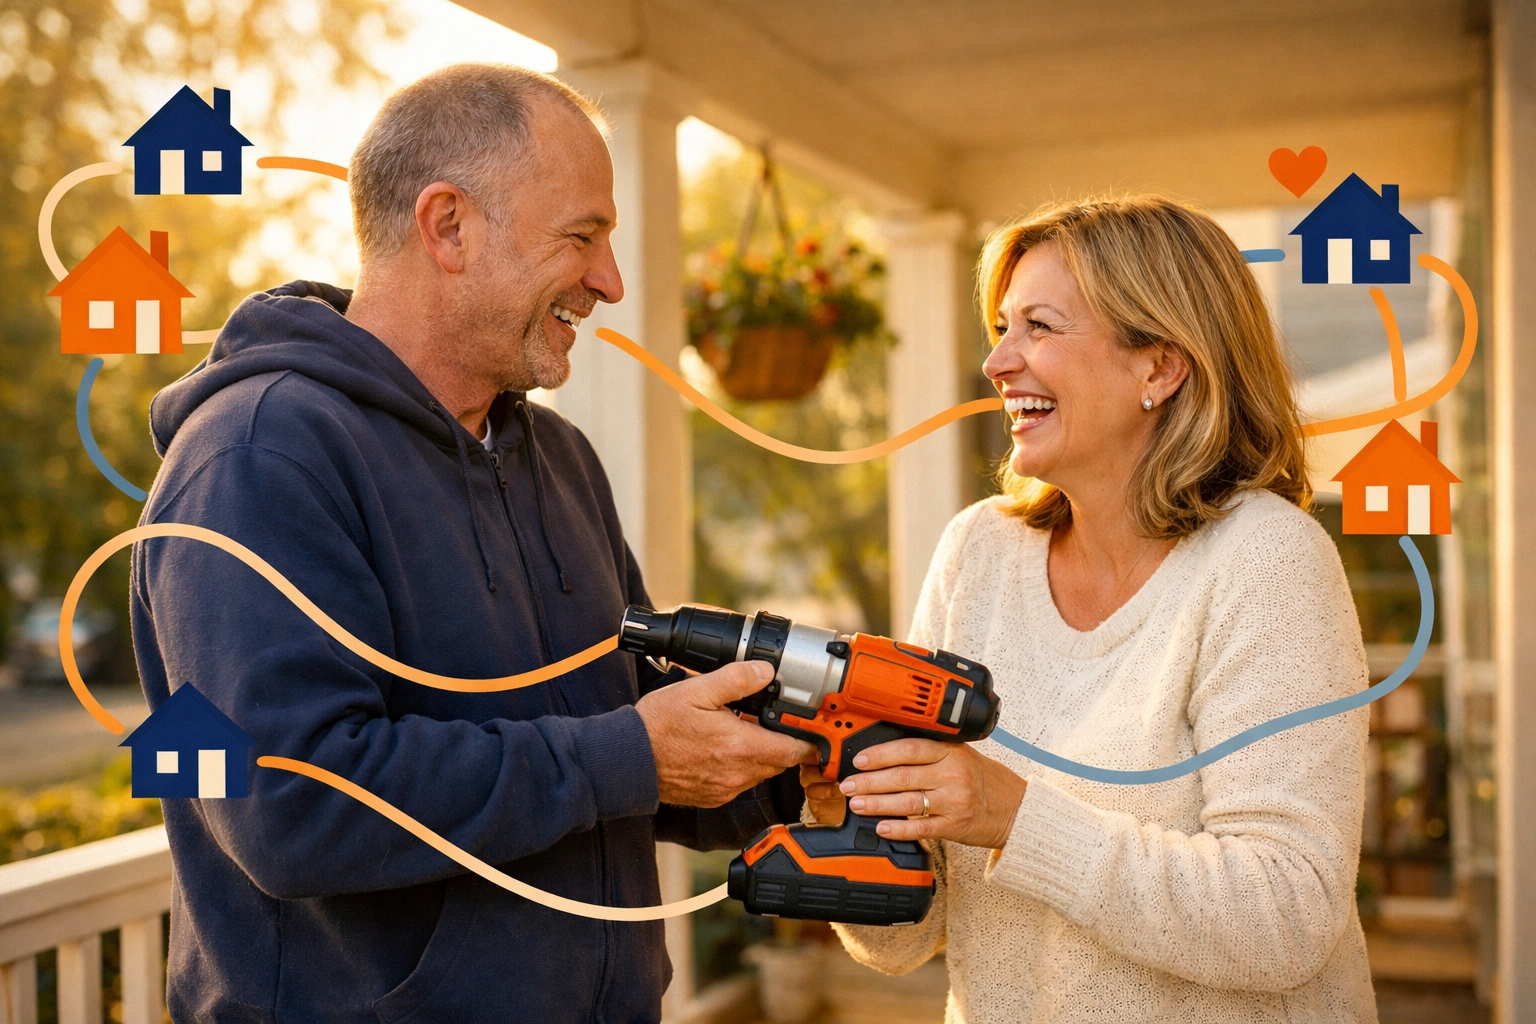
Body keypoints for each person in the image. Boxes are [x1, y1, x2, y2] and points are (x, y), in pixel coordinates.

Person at [131, 64, 813, 1023]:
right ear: (448, 225)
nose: (611, 282)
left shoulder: (560, 459)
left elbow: (627, 749)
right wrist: (626, 756)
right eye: (582, 237)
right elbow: (286, 807)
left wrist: (796, 766)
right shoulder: (255, 455)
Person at [803, 196, 1378, 1021]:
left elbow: (1287, 917)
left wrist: (1012, 817)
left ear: (1160, 368)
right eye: (1001, 327)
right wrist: (844, 816)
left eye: (1039, 327)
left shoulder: (1266, 561)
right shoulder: (978, 554)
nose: (997, 362)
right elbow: (905, 942)